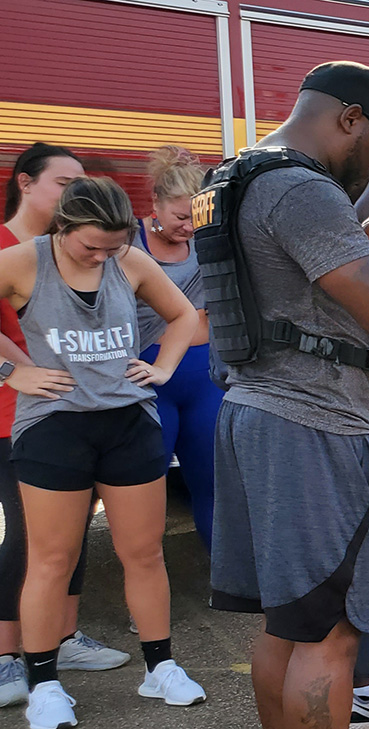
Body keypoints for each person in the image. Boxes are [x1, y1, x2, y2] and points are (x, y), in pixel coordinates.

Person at [207, 61, 369, 728]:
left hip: (256, 412)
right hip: (312, 426)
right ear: (348, 119)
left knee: (289, 622)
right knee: (332, 631)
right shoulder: (300, 193)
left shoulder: (242, 174)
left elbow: (324, 233)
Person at [0, 176, 203, 728]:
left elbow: (184, 315)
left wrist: (160, 368)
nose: (102, 257)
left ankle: (160, 668)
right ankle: (44, 683)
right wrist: (12, 370)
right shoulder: (22, 261)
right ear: (61, 227)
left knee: (145, 553)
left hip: (129, 423)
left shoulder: (130, 260)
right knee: (50, 560)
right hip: (55, 427)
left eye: (112, 247)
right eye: (91, 246)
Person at [0, 144, 131, 710]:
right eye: (64, 182)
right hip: (16, 418)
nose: (76, 193)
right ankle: (7, 660)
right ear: (26, 183)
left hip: (78, 415)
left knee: (69, 539)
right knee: (26, 543)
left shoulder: (83, 250)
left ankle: (62, 637)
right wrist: (14, 371)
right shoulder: (10, 249)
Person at [132, 145, 222, 551]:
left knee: (214, 485)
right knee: (145, 498)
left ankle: (227, 586)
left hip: (203, 378)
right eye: (181, 217)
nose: (189, 227)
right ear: (155, 202)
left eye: (197, 217)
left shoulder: (208, 241)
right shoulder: (127, 242)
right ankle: (145, 590)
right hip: (146, 379)